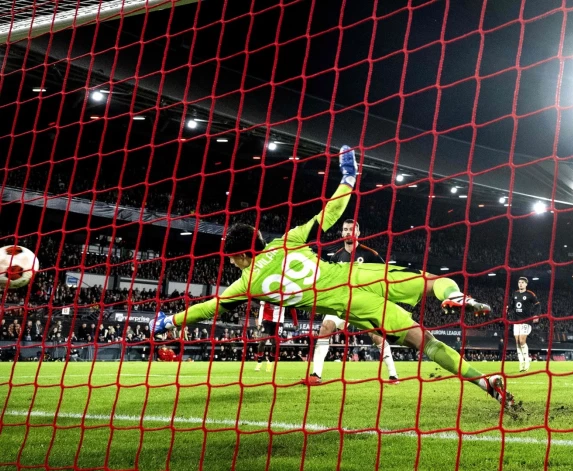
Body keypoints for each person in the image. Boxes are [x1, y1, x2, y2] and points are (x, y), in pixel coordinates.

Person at [151, 145, 516, 411]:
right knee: (433, 281)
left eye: (232, 258)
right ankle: (456, 297)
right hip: (359, 273)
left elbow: (207, 308)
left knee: (427, 343)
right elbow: (330, 211)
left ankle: (485, 382)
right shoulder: (286, 241)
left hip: (351, 302)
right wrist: (348, 179)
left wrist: (169, 320)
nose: (232, 264)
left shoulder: (246, 284)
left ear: (241, 254)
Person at [309, 219, 399, 385]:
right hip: (341, 303)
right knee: (325, 328)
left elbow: (387, 276)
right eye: (345, 229)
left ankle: (393, 375)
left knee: (375, 335)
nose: (348, 232)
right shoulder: (336, 257)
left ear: (358, 233)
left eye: (352, 229)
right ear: (342, 233)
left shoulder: (370, 255)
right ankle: (315, 374)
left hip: (363, 304)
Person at [506, 277, 540, 372]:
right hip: (516, 321)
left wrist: (536, 315)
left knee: (522, 341)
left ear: (526, 284)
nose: (520, 284)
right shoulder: (515, 294)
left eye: (522, 282)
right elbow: (513, 305)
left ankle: (527, 362)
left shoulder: (530, 294)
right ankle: (521, 364)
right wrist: (508, 308)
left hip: (526, 320)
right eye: (519, 282)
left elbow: (538, 304)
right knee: (517, 342)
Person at [254, 301, 285, 372]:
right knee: (262, 342)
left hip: (279, 321)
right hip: (267, 321)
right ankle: (259, 362)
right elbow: (262, 308)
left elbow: (293, 308)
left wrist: (295, 322)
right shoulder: (267, 295)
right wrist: (259, 322)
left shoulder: (284, 295)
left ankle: (270, 362)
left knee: (275, 344)